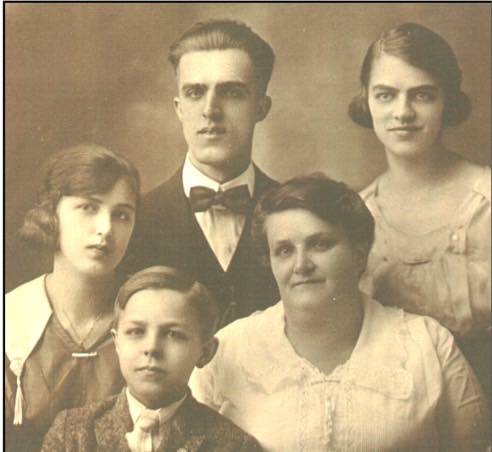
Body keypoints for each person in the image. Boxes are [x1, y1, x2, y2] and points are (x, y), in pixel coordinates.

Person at [190, 174, 490, 451]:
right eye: (284, 250)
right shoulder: (226, 350)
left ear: (359, 252)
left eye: (319, 244)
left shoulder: (428, 344)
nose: (301, 265)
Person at [348, 22, 491, 400]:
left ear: (447, 101)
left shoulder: (487, 203)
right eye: (386, 95)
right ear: (366, 101)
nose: (403, 112)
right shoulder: (355, 217)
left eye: (422, 95)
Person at [126, 19, 279, 326]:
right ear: (179, 107)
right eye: (195, 92)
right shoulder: (134, 220)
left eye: (232, 92)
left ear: (261, 108)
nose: (210, 109)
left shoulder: (295, 214)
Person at [5, 144, 140, 451]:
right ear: (51, 213)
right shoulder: (11, 321)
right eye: (88, 208)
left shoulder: (147, 317)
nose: (105, 229)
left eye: (121, 215)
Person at [42, 266, 262, 451]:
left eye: (173, 334)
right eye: (136, 332)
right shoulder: (72, 433)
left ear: (205, 352)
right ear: (116, 342)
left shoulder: (234, 446)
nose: (151, 348)